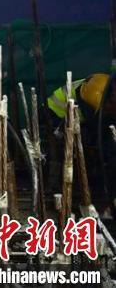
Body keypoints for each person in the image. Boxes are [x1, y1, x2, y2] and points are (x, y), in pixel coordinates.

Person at [47, 72, 116, 216]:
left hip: (74, 111)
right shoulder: (90, 101)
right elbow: (93, 125)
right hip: (54, 113)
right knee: (68, 149)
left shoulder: (101, 86)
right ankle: (59, 189)